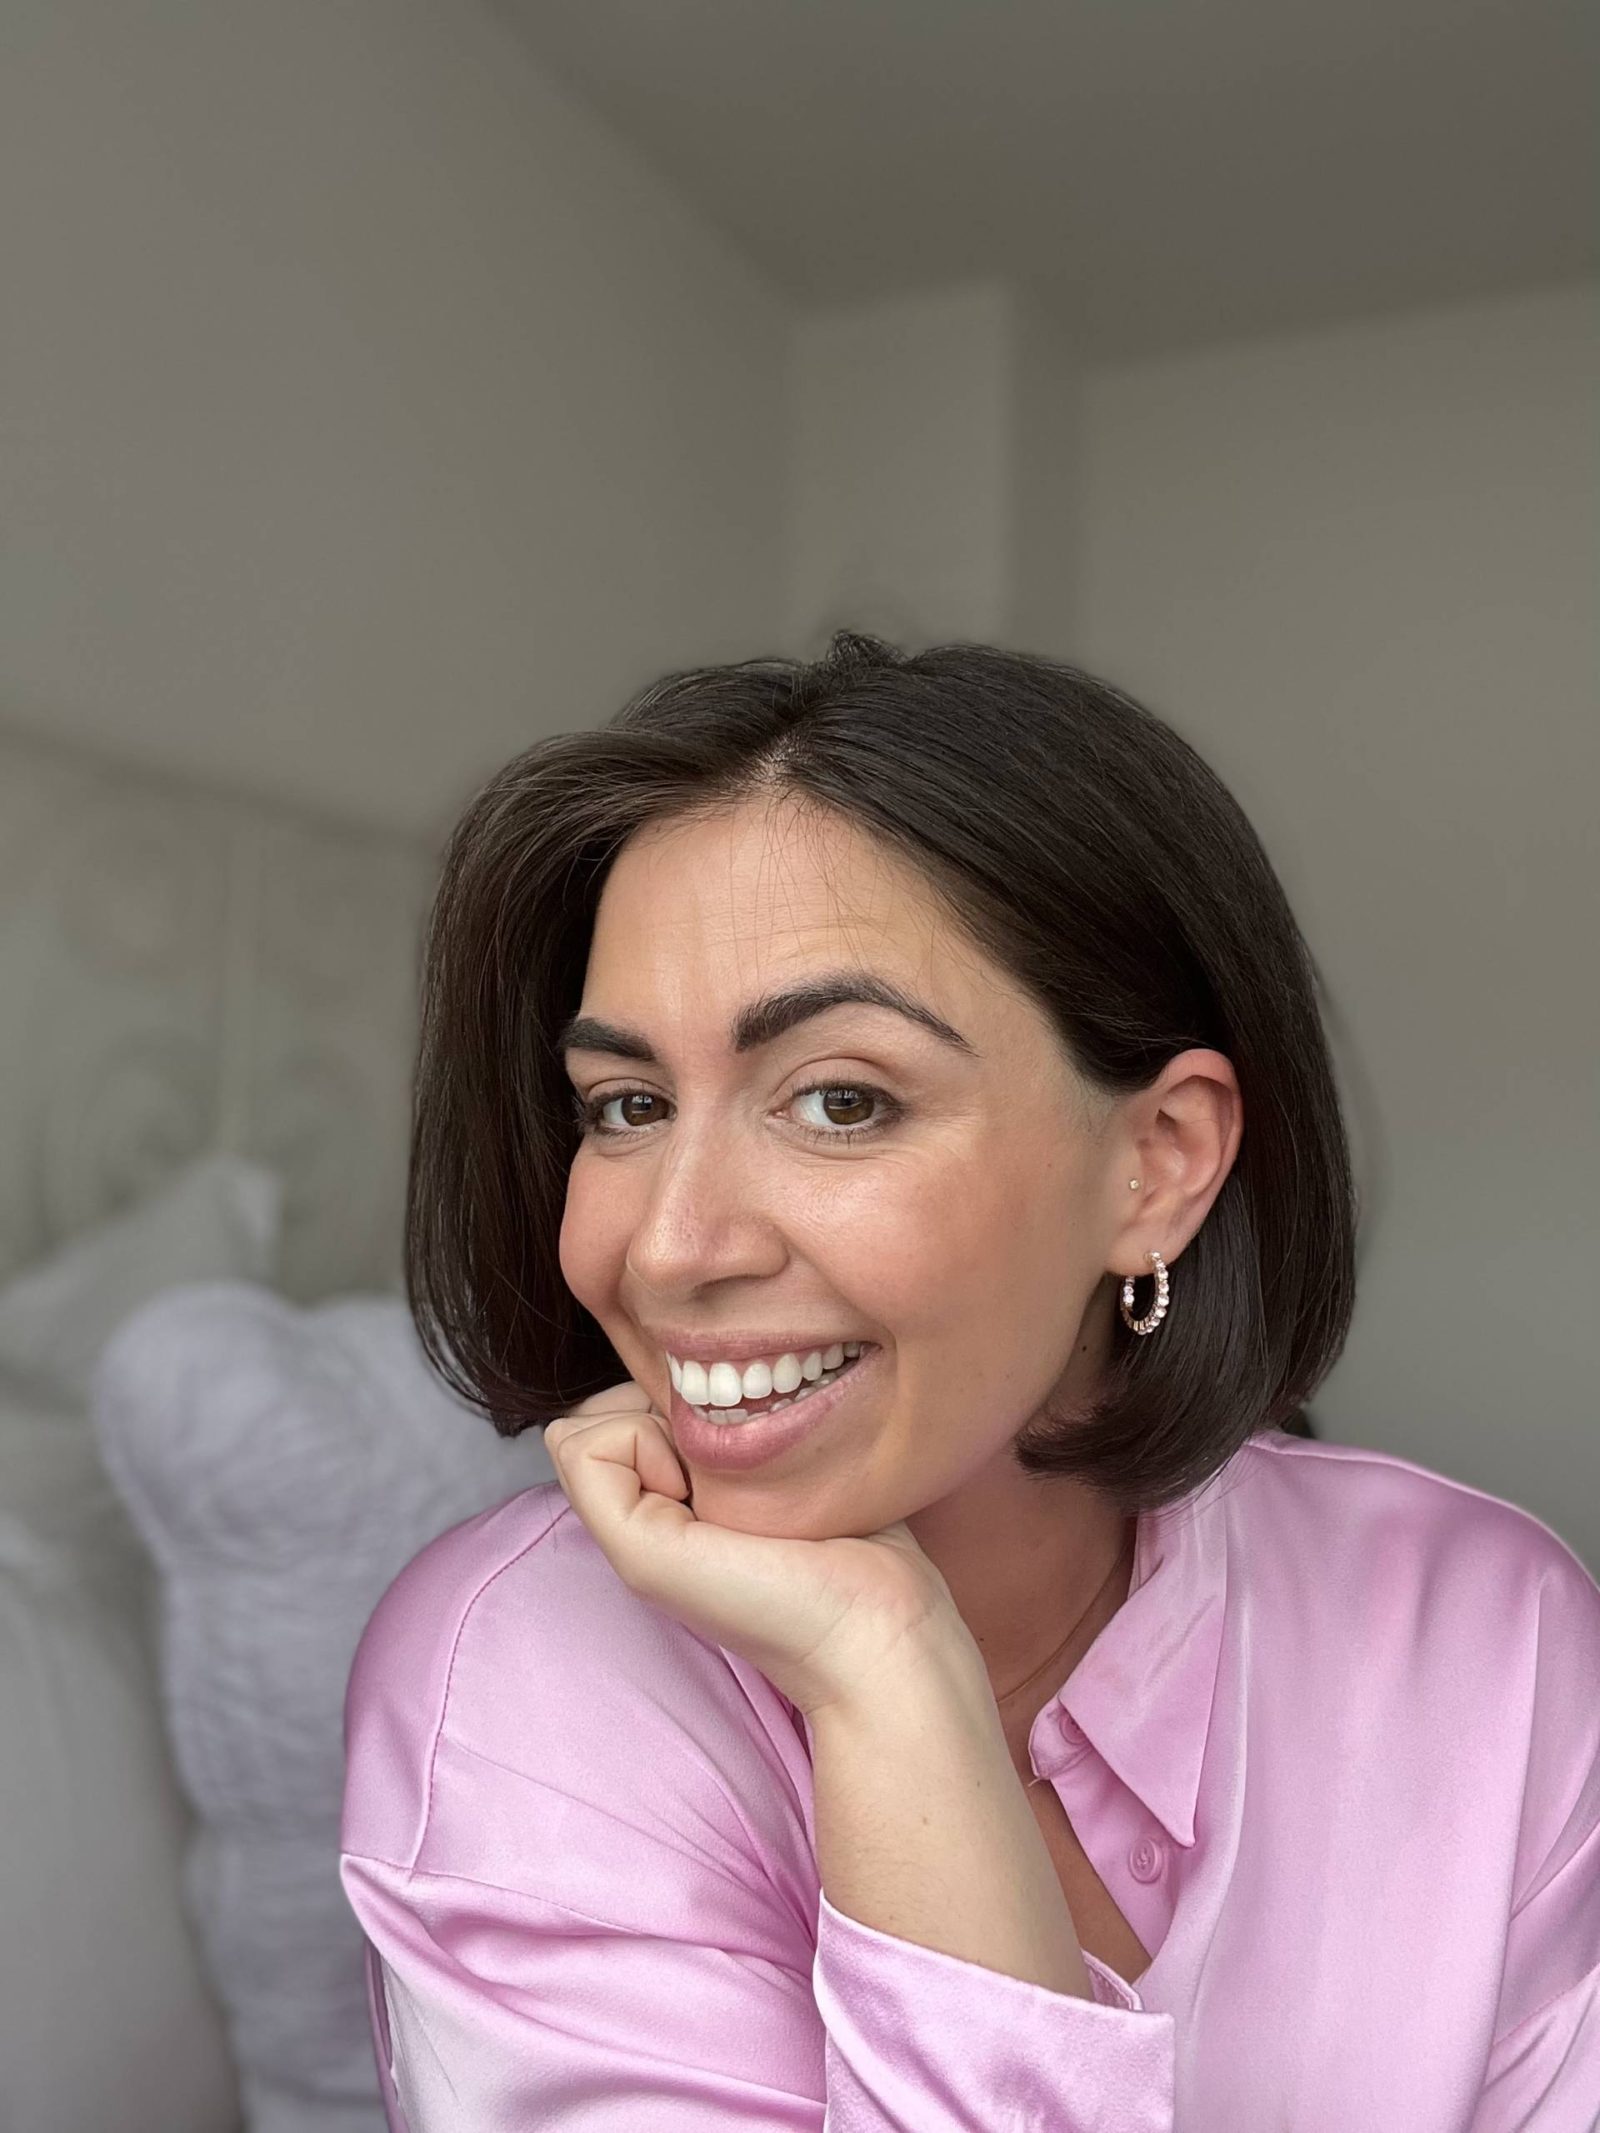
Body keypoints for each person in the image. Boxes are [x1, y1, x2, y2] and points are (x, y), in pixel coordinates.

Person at [338, 632, 1600, 2129]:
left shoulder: (1479, 1633)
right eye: (626, 1105)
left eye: (841, 1098)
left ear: (1158, 1162)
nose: (671, 1245)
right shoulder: (524, 1678)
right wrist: (888, 1672)